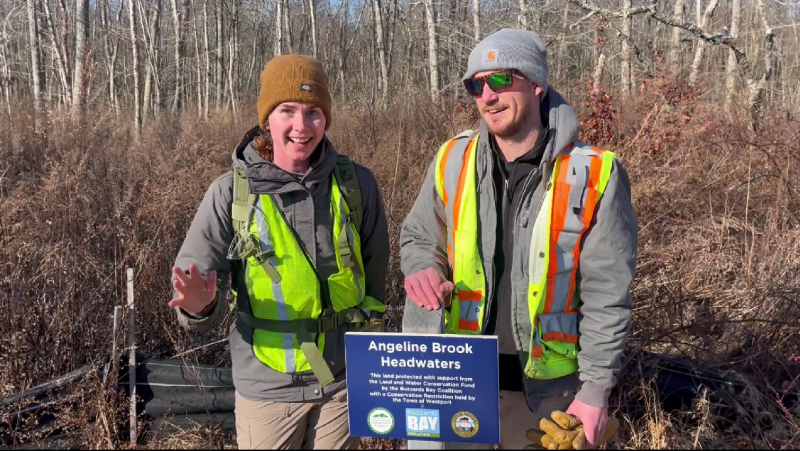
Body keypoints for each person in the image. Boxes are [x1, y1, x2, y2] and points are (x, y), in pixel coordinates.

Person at [399, 28, 638, 449]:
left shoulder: (595, 173)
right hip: (460, 382)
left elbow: (608, 292)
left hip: (552, 396)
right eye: (477, 84)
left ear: (537, 83)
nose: (487, 95)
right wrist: (422, 267)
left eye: (501, 80)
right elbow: (420, 235)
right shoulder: (451, 159)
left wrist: (595, 393)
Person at [169, 54, 390, 450]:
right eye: (287, 110)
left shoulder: (357, 184)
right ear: (266, 119)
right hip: (267, 386)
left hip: (342, 382)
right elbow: (195, 285)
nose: (301, 127)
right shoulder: (230, 194)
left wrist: (369, 359)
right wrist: (200, 306)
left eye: (313, 113)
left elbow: (375, 277)